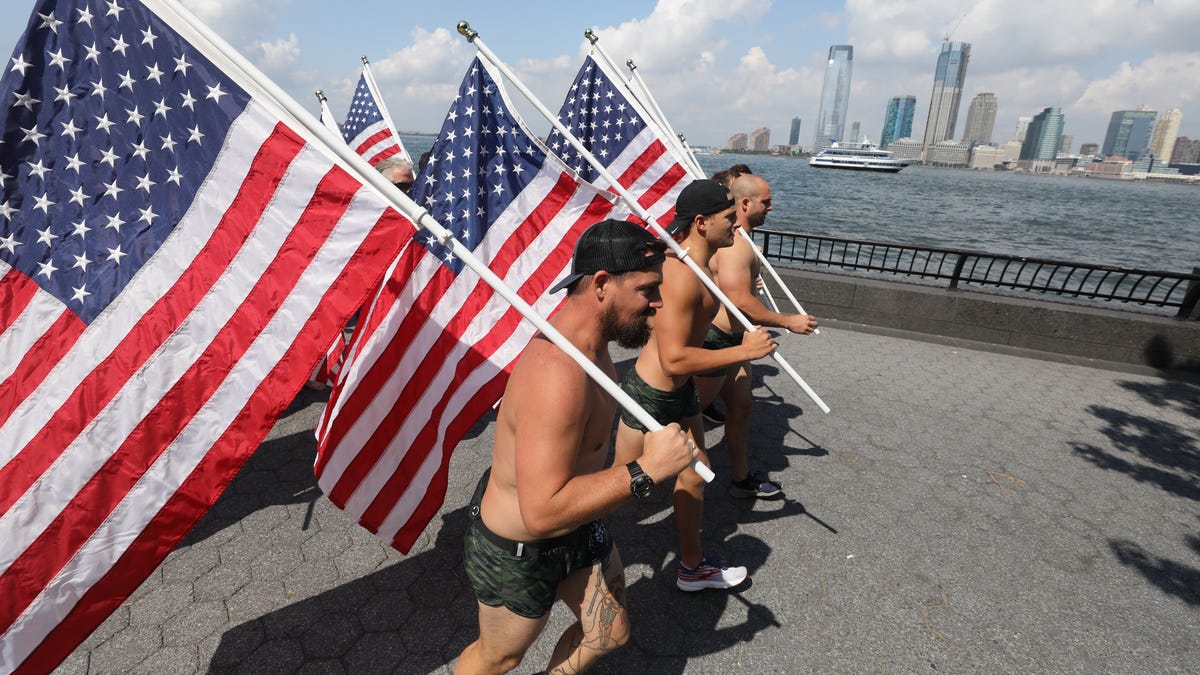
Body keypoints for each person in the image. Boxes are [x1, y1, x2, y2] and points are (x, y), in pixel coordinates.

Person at [457, 219, 699, 674]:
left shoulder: (596, 348)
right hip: (521, 548)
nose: (659, 304)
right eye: (648, 290)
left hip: (577, 526)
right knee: (499, 658)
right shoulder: (557, 373)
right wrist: (646, 470)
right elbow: (541, 511)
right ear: (603, 284)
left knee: (609, 632)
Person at [613, 179, 777, 592]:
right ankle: (558, 547)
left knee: (697, 473)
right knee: (617, 491)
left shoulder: (697, 266)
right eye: (728, 219)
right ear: (701, 223)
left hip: (681, 392)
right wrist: (744, 352)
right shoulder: (681, 275)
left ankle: (691, 566)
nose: (736, 226)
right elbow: (674, 358)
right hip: (652, 396)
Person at [697, 174, 818, 498]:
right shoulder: (736, 243)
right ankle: (659, 474)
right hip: (716, 340)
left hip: (738, 340)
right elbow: (739, 299)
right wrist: (786, 320)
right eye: (766, 201)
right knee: (686, 418)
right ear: (745, 203)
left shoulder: (741, 240)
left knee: (742, 406)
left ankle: (740, 477)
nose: (771, 207)